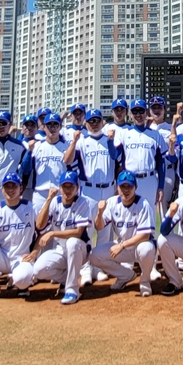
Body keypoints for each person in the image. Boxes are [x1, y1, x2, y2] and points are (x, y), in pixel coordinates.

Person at [64, 108, 118, 286]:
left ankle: (100, 266)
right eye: (91, 121)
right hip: (89, 190)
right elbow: (67, 161)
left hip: (108, 189)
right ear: (86, 123)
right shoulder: (82, 141)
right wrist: (73, 142)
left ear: (102, 121)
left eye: (97, 120)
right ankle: (86, 268)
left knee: (104, 231)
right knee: (87, 231)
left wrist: (110, 141)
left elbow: (115, 157)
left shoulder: (109, 139)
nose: (94, 124)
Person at [89, 171, 157, 297]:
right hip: (123, 246)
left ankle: (145, 281)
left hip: (140, 246)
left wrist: (122, 245)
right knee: (94, 255)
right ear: (117, 187)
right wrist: (99, 213)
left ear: (135, 187)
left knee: (146, 249)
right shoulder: (112, 202)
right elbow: (99, 227)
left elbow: (145, 236)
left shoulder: (143, 204)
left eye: (129, 187)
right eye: (122, 186)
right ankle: (125, 276)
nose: (125, 190)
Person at [32, 172, 92, 305]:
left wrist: (53, 234)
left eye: (71, 187)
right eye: (65, 186)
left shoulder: (83, 202)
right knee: (39, 270)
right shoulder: (54, 202)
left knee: (72, 243)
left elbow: (78, 232)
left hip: (80, 250)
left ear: (77, 187)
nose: (68, 190)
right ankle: (68, 278)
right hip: (61, 249)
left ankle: (72, 290)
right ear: (60, 187)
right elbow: (39, 225)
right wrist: (48, 200)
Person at [112, 99, 165, 207]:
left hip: (149, 180)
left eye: (141, 111)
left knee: (150, 217)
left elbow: (161, 162)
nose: (138, 114)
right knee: (130, 217)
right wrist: (109, 141)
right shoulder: (124, 133)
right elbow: (114, 156)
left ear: (146, 112)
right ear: (130, 114)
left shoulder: (155, 135)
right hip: (130, 180)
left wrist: (161, 186)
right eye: (135, 112)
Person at [29, 114, 72, 213]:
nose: (52, 128)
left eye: (55, 125)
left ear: (60, 127)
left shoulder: (66, 146)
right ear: (44, 127)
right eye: (49, 125)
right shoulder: (36, 146)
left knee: (59, 226)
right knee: (38, 226)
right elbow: (27, 170)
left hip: (59, 192)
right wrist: (28, 152)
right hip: (40, 193)